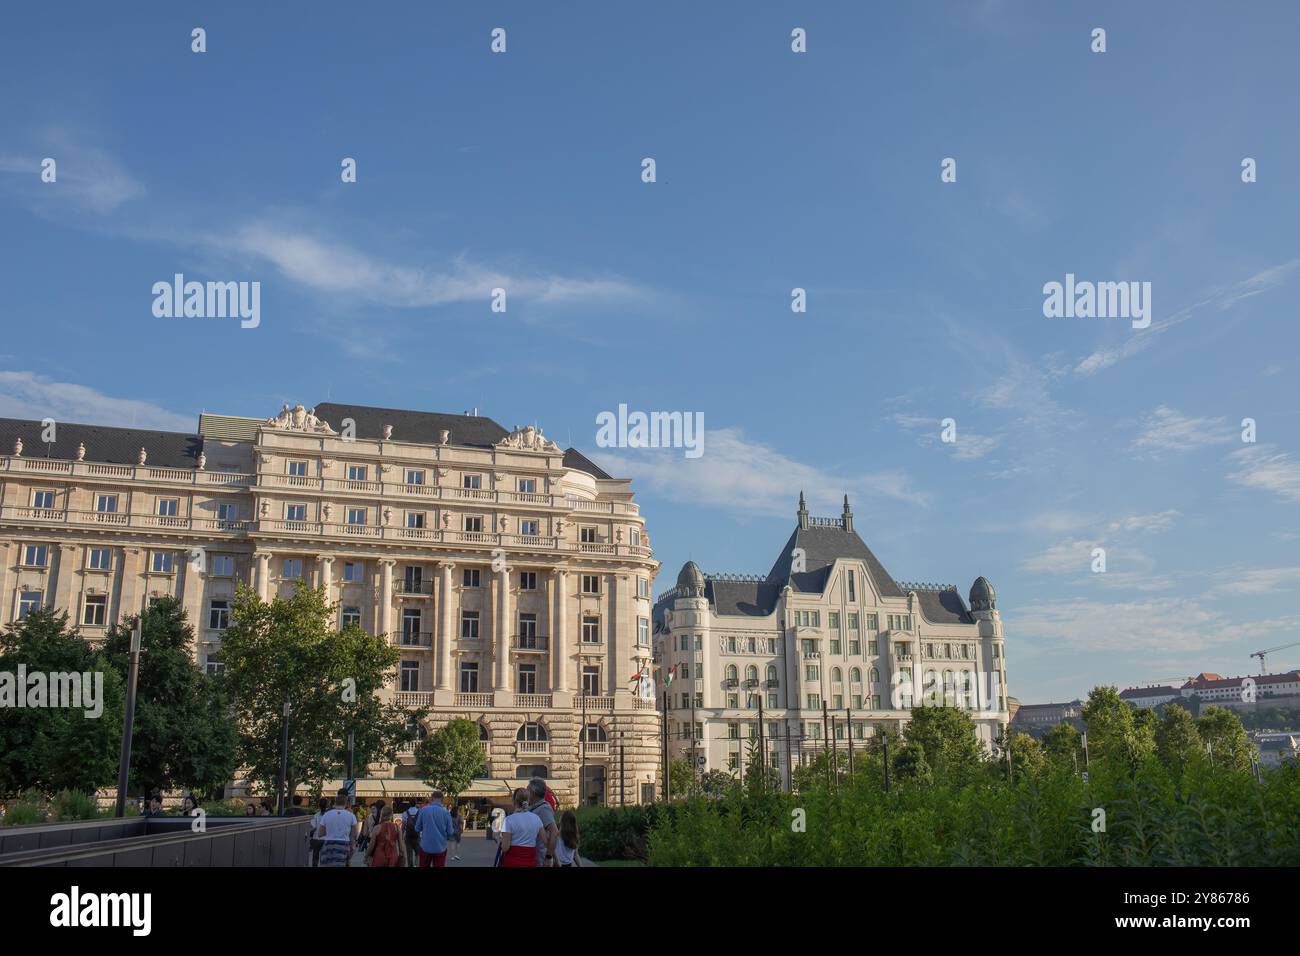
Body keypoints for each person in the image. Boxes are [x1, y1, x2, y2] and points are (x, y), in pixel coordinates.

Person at [498, 788, 543, 867]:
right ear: (528, 800)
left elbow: (505, 848)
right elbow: (545, 840)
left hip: (512, 862)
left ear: (514, 801)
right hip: (530, 862)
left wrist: (499, 840)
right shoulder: (536, 818)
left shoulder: (508, 820)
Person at [316, 790, 358, 867]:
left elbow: (320, 833)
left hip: (329, 845)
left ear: (335, 803)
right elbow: (354, 833)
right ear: (345, 803)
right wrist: (353, 846)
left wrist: (330, 831)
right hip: (344, 845)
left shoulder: (327, 814)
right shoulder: (351, 815)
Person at [414, 791, 455, 867]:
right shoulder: (446, 812)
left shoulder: (423, 810)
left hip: (425, 846)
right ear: (442, 799)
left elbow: (417, 828)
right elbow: (450, 832)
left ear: (431, 798)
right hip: (440, 847)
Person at [526, 777, 559, 867]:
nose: (526, 793)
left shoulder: (543, 809)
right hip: (535, 858)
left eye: (527, 790)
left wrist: (548, 857)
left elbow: (554, 832)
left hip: (541, 859)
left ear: (533, 793)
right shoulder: (533, 807)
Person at [402, 800, 424, 867]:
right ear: (415, 804)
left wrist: (401, 835)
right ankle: (416, 865)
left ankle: (410, 865)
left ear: (409, 804)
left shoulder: (405, 813)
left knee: (409, 854)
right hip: (417, 836)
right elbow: (422, 824)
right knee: (418, 853)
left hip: (408, 836)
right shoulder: (420, 812)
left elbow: (403, 825)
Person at [309, 797, 330, 867]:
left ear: (319, 805)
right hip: (326, 839)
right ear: (327, 805)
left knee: (315, 857)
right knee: (324, 857)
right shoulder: (329, 816)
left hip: (316, 838)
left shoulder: (316, 815)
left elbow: (313, 827)